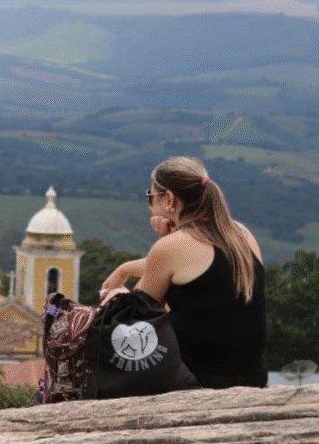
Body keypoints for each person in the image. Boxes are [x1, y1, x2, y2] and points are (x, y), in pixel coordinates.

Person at [101, 156, 267, 388]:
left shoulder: (172, 247)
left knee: (109, 316)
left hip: (197, 382)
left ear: (169, 199)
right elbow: (197, 272)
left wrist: (115, 295)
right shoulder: (241, 234)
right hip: (253, 378)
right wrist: (125, 269)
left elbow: (137, 322)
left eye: (150, 196)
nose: (149, 203)